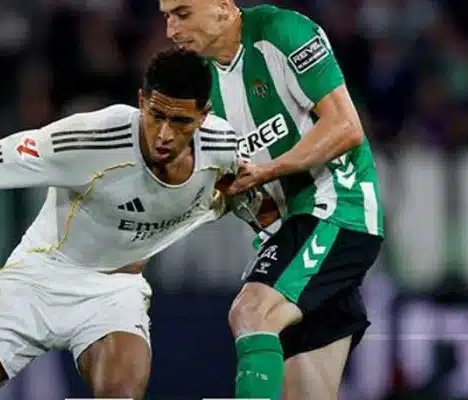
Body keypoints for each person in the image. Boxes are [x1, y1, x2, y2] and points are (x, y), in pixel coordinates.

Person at [0, 48, 260, 400]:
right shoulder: (91, 139)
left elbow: (252, 198)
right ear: (140, 100)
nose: (164, 134)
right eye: (155, 115)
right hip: (35, 283)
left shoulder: (223, 149)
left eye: (180, 122)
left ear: (203, 116)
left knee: (122, 393)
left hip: (114, 293)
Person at [160, 1, 385, 399]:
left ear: (223, 7)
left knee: (251, 312)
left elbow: (346, 127)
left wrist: (269, 171)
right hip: (285, 233)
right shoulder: (200, 86)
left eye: (182, 14)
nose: (171, 31)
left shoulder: (282, 33)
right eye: (166, 17)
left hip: (337, 208)